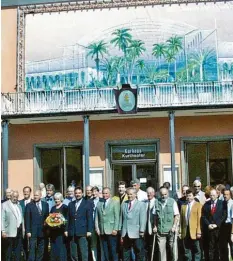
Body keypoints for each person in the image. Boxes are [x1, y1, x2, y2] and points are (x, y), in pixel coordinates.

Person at [65, 186, 93, 261]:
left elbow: (89, 218)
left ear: (82, 193)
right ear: (74, 194)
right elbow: (68, 218)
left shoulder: (87, 203)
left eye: (79, 193)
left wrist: (89, 230)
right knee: (73, 253)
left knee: (83, 252)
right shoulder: (71, 204)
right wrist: (66, 230)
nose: (77, 194)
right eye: (76, 193)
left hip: (83, 231)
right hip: (72, 231)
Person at [119, 187, 146, 261]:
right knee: (126, 252)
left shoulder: (141, 204)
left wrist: (142, 230)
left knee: (139, 252)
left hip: (137, 232)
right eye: (128, 194)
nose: (129, 196)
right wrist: (120, 230)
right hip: (126, 232)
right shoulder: (124, 204)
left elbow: (143, 219)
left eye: (131, 194)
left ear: (135, 194)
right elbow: (121, 217)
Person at [153, 187, 180, 261]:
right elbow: (154, 216)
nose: (163, 196)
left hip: (171, 229)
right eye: (162, 194)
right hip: (160, 229)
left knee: (173, 248)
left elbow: (177, 215)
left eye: (165, 194)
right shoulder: (156, 202)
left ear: (168, 194)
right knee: (161, 250)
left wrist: (174, 226)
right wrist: (155, 226)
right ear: (159, 194)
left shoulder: (172, 201)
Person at [95, 187, 120, 261]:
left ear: (110, 193)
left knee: (113, 250)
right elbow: (96, 217)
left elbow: (117, 217)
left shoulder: (115, 202)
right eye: (103, 193)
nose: (104, 195)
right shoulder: (99, 203)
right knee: (105, 251)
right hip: (102, 231)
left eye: (106, 193)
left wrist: (115, 229)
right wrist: (97, 228)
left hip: (112, 231)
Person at [202, 189, 227, 261]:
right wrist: (208, 224)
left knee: (219, 248)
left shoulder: (222, 203)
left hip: (219, 229)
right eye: (211, 195)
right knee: (211, 248)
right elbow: (203, 216)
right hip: (209, 229)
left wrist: (217, 224)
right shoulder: (206, 204)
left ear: (217, 195)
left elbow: (224, 215)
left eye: (213, 195)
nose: (212, 197)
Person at [25, 190, 49, 261]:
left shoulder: (45, 204)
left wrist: (47, 228)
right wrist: (28, 231)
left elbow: (47, 217)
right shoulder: (29, 205)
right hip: (33, 231)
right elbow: (27, 219)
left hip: (43, 231)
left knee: (41, 248)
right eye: (34, 195)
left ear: (40, 196)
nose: (35, 197)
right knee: (32, 248)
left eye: (37, 195)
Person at [180, 188, 202, 261]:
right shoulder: (183, 206)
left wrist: (199, 231)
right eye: (187, 196)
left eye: (190, 195)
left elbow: (199, 219)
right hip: (185, 231)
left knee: (197, 249)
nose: (188, 197)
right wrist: (180, 231)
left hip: (195, 231)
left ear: (193, 196)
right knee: (186, 249)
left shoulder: (198, 205)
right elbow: (181, 220)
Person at [1, 190, 24, 261]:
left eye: (16, 197)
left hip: (19, 230)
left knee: (18, 250)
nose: (15, 198)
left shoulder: (19, 205)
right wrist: (3, 230)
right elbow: (2, 218)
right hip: (9, 231)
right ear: (10, 196)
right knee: (9, 250)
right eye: (14, 196)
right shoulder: (4, 204)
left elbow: (21, 218)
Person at [50, 192, 68, 261]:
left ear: (61, 199)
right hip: (53, 232)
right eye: (55, 199)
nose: (56, 200)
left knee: (61, 249)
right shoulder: (53, 208)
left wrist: (62, 222)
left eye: (58, 199)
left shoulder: (65, 207)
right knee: (54, 250)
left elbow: (67, 219)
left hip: (61, 232)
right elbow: (50, 218)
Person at [219, 189, 233, 261]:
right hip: (223, 226)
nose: (225, 196)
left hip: (230, 226)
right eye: (224, 194)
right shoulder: (222, 203)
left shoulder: (232, 203)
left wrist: (232, 232)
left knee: (232, 245)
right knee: (223, 246)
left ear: (230, 195)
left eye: (227, 194)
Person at [144, 187, 157, 261]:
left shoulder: (156, 202)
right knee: (145, 247)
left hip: (152, 228)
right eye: (148, 193)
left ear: (154, 193)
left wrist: (155, 226)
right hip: (145, 229)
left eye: (150, 192)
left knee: (153, 247)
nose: (149, 194)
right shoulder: (144, 202)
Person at [19, 186, 32, 260]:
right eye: (24, 191)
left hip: (31, 226)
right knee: (24, 243)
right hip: (23, 226)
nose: (26, 193)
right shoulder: (19, 202)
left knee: (32, 244)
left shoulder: (34, 201)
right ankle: (25, 258)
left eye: (27, 191)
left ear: (30, 192)